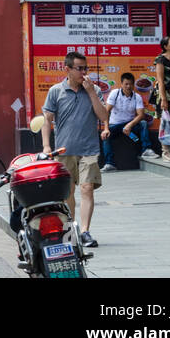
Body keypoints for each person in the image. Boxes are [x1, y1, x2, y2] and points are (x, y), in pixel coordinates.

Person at [41, 50, 110, 248]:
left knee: (87, 188)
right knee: (68, 193)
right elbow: (47, 119)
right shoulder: (56, 91)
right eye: (79, 68)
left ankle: (85, 231)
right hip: (64, 151)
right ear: (67, 69)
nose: (84, 72)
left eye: (85, 68)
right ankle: (72, 229)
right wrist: (46, 145)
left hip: (89, 149)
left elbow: (103, 115)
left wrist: (90, 92)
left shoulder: (94, 90)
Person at [100, 72, 150, 170]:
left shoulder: (137, 97)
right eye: (126, 84)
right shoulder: (115, 93)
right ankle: (110, 164)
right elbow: (106, 111)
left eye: (131, 84)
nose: (128, 86)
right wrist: (106, 128)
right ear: (121, 84)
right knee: (106, 137)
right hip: (115, 126)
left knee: (143, 125)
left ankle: (146, 150)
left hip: (128, 128)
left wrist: (130, 125)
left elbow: (141, 115)